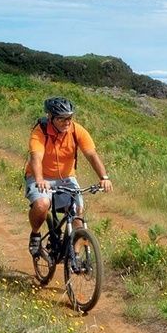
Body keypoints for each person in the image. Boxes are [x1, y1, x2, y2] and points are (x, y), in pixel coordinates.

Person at [24, 97, 113, 259]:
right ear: (50, 117)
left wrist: (104, 177)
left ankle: (75, 257)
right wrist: (39, 179)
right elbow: (36, 157)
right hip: (40, 176)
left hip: (66, 177)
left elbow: (91, 155)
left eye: (69, 118)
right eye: (61, 118)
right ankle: (35, 234)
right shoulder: (40, 132)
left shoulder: (76, 130)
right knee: (42, 205)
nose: (67, 122)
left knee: (77, 213)